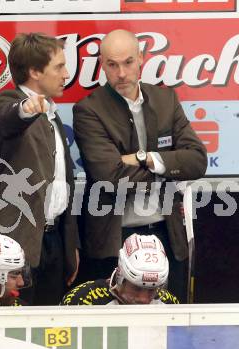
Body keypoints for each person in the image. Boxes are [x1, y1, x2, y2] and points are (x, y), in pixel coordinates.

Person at [73, 29, 207, 302]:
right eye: (112, 64)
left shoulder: (165, 100)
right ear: (102, 65)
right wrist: (167, 167)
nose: (121, 73)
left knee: (169, 324)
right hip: (114, 238)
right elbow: (109, 176)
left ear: (141, 59)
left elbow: (197, 159)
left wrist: (145, 158)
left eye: (128, 62)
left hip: (166, 233)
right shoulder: (88, 109)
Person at [0, 33, 79, 305]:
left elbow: (61, 187)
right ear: (34, 71)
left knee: (48, 326)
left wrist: (69, 247)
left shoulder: (52, 115)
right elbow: (9, 118)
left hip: (53, 241)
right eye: (58, 67)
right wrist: (26, 108)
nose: (66, 74)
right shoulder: (9, 103)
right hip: (14, 242)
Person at [61, 233, 178, 305]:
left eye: (152, 289)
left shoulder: (168, 302)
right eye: (137, 288)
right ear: (120, 276)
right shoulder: (82, 299)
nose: (143, 299)